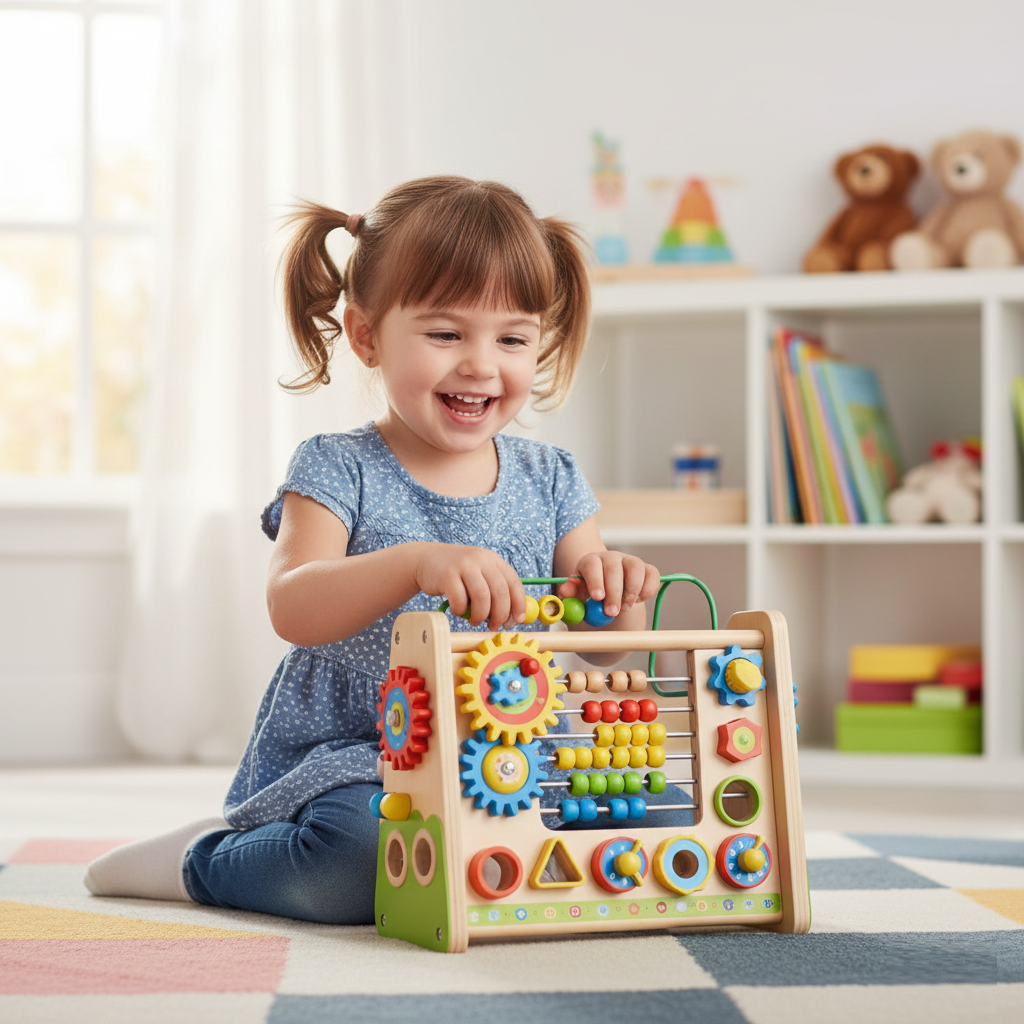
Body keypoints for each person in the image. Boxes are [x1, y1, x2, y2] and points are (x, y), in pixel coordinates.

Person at [84, 176, 663, 924]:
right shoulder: (337, 465)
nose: (482, 364)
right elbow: (292, 604)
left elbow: (608, 648)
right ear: (366, 336)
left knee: (634, 826)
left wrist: (623, 592)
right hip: (363, 754)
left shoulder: (551, 477)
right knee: (357, 865)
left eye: (512, 338)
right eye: (446, 334)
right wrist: (412, 562)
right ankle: (203, 860)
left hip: (510, 749)